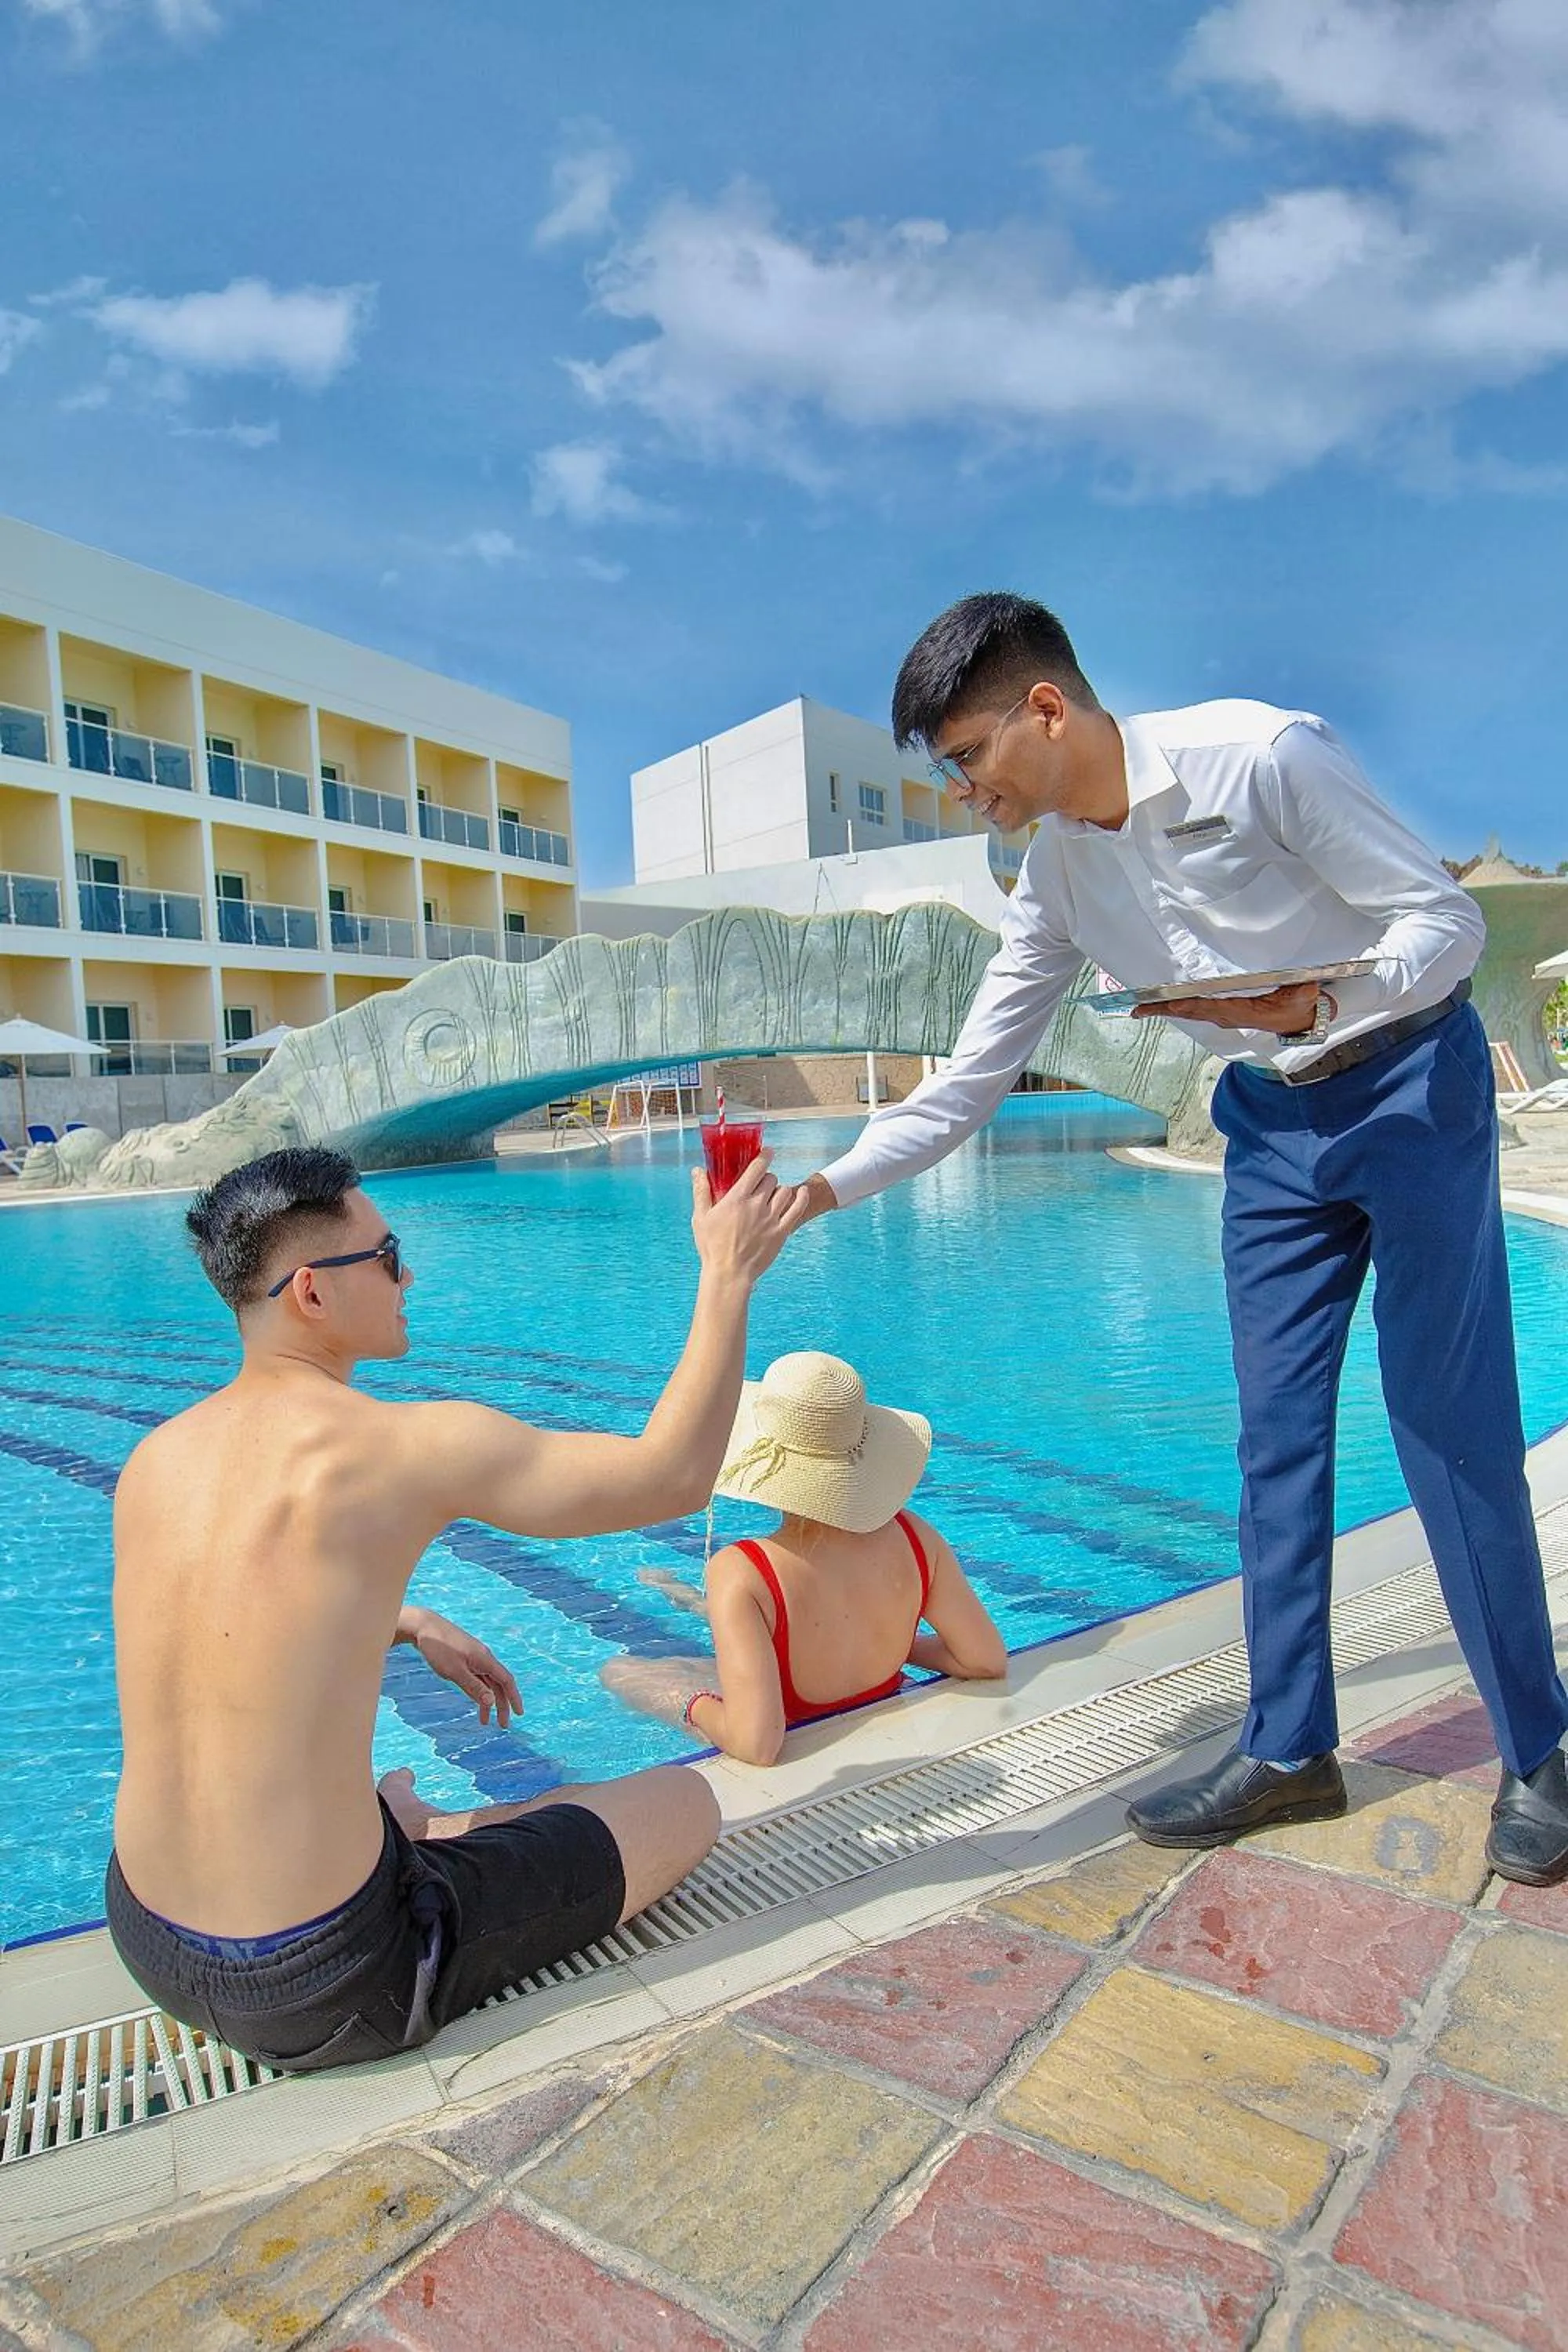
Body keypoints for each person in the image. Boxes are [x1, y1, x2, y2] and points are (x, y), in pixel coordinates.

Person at [793, 591, 1568, 1887]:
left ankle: (1541, 1751)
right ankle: (1288, 1748)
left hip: (1406, 1088)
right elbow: (972, 1079)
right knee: (1274, 1438)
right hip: (1269, 1126)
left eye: (968, 755)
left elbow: (1449, 926)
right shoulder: (1055, 878)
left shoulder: (1264, 758)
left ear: (1046, 708)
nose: (962, 788)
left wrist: (1315, 995)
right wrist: (815, 1193)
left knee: (1446, 1420)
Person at [106, 1142, 809, 2071]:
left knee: (355, 1785)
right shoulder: (405, 1447)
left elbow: (230, 1620)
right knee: (685, 1802)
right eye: (389, 1255)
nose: (410, 1273)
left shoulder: (157, 1459)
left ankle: (403, 1824)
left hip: (148, 1938)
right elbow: (673, 1476)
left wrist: (413, 1619)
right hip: (326, 1982)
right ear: (312, 1291)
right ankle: (419, 1835)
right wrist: (728, 1273)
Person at [602, 1352, 1007, 1762]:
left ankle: (693, 1612)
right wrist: (892, 1641)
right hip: (878, 1696)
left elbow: (758, 1744)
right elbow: (985, 1659)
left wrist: (693, 1703)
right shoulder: (916, 1536)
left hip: (799, 1734)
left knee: (621, 1672)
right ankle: (693, 1602)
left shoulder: (743, 1571)